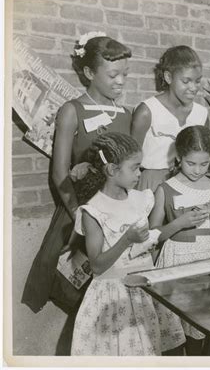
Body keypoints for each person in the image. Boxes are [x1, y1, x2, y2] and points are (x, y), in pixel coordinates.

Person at [22, 33, 133, 316]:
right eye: (113, 75)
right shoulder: (72, 111)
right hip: (80, 211)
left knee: (114, 295)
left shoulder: (126, 113)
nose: (120, 81)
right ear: (88, 72)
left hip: (116, 214)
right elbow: (60, 171)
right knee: (82, 299)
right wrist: (79, 214)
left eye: (125, 74)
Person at [149, 125, 210, 355]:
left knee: (204, 330)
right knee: (174, 329)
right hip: (176, 263)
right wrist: (179, 223)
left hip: (208, 261)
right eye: (191, 163)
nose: (197, 170)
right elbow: (152, 237)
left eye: (204, 164)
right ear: (179, 158)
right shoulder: (166, 189)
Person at [71, 132, 161, 355]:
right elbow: (97, 266)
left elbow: (148, 243)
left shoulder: (141, 200)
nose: (140, 174)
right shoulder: (93, 211)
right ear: (112, 170)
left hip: (144, 290)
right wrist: (126, 239)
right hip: (114, 296)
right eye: (135, 167)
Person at [131, 45, 210, 193]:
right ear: (168, 77)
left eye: (197, 81)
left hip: (187, 184)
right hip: (150, 185)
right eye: (186, 81)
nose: (193, 88)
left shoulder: (201, 113)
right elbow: (130, 160)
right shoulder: (147, 111)